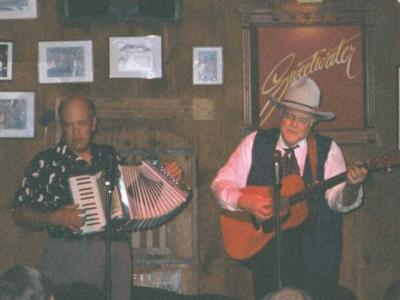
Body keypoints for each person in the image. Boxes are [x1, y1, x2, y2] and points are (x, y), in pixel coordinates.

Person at [211, 77, 368, 300]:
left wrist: (351, 187)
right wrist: (243, 201)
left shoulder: (327, 149)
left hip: (315, 258)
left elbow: (338, 200)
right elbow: (221, 182)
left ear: (313, 122)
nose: (294, 124)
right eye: (289, 116)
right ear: (280, 115)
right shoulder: (256, 142)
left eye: (302, 119)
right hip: (266, 255)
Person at [12, 95, 134, 299]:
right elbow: (19, 213)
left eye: (82, 124)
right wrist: (53, 218)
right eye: (69, 126)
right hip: (69, 254)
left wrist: (162, 178)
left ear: (94, 124)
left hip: (116, 252)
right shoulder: (45, 163)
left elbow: (132, 197)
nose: (76, 133)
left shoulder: (110, 156)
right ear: (62, 127)